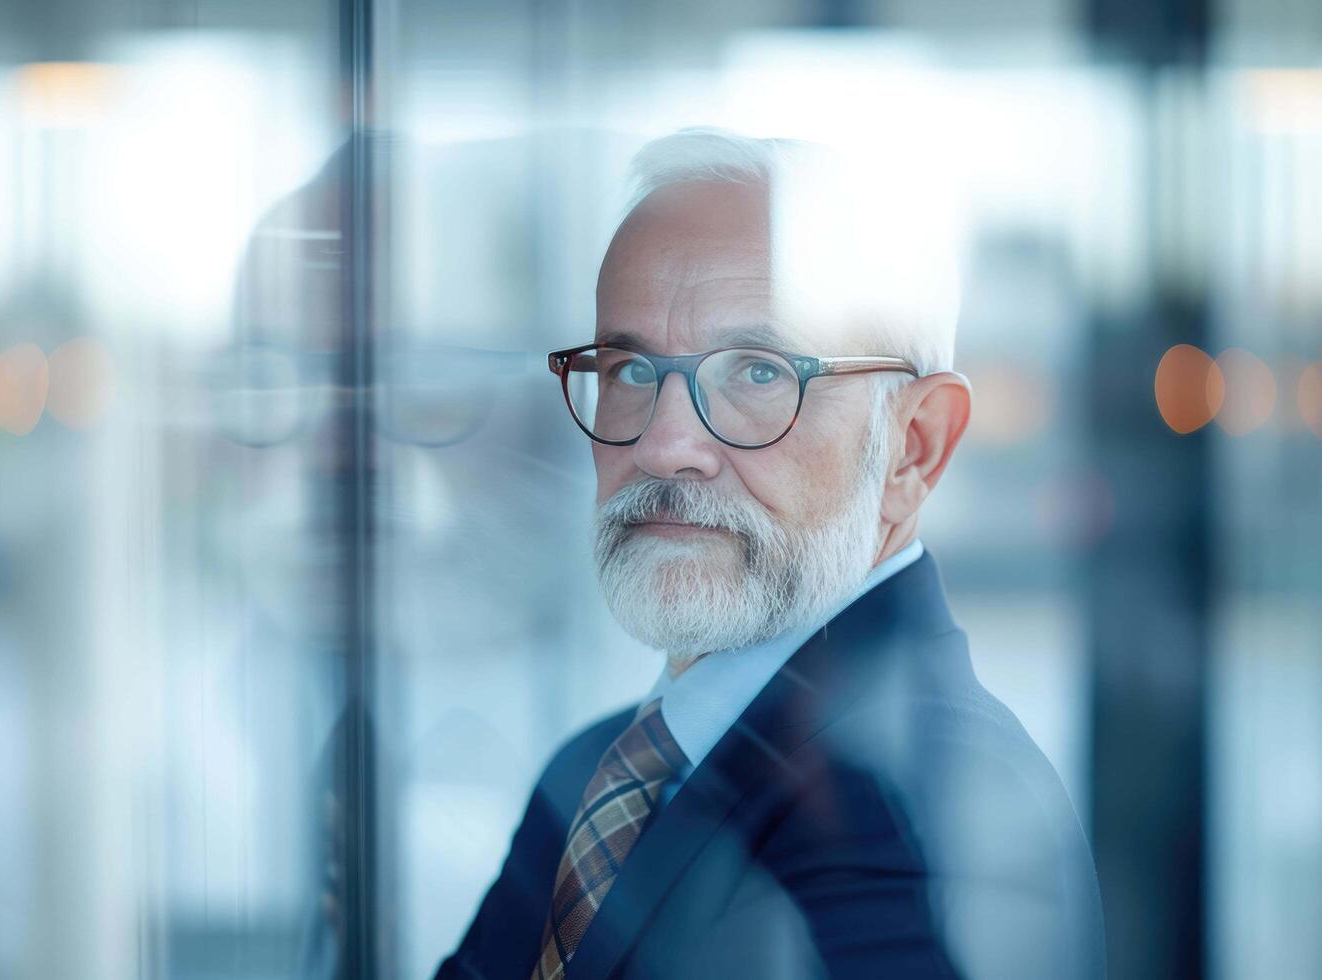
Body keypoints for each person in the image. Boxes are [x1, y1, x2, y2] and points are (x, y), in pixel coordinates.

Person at [434, 129, 1105, 980]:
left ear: (915, 448)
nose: (665, 443)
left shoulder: (940, 808)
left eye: (757, 372)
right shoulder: (594, 778)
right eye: (630, 368)